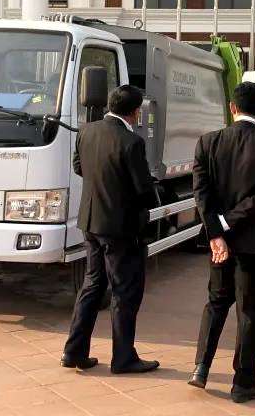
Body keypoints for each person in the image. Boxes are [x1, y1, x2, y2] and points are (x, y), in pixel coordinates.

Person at [190, 82, 255, 403]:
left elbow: (201, 193)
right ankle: (243, 383)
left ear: (232, 107)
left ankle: (201, 368)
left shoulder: (208, 142)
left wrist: (216, 232)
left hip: (220, 242)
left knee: (216, 301)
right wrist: (228, 223)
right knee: (250, 311)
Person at [62, 85, 161, 375]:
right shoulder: (131, 142)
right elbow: (143, 190)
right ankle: (123, 357)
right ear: (135, 112)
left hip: (90, 222)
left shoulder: (86, 131)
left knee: (92, 286)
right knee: (124, 292)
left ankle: (74, 351)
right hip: (120, 227)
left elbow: (79, 167)